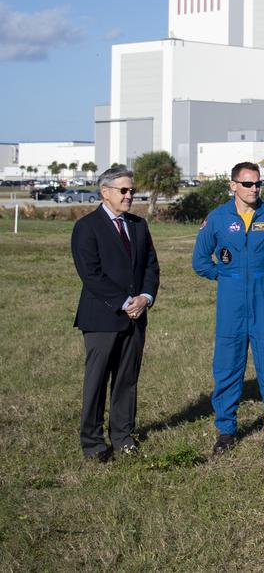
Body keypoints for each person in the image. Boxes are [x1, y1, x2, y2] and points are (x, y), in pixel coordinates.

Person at [192, 162, 264, 455]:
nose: (254, 189)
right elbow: (201, 259)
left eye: (257, 184)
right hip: (231, 301)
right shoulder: (217, 219)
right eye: (248, 184)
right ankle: (226, 430)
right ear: (233, 186)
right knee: (227, 366)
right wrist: (225, 277)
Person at [71, 168, 160, 462]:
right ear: (104, 192)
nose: (129, 196)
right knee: (96, 382)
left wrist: (144, 298)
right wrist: (124, 302)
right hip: (102, 318)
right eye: (123, 190)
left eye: (131, 191)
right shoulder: (87, 226)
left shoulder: (138, 225)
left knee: (126, 381)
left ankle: (123, 437)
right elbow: (91, 274)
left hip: (136, 317)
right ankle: (93, 443)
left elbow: (151, 266)